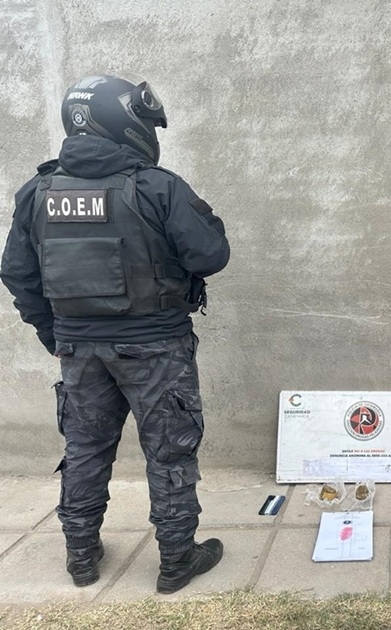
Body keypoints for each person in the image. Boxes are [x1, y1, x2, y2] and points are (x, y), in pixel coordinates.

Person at [0, 75, 231, 594]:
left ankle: (81, 558)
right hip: (156, 348)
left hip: (80, 351)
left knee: (85, 450)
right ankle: (176, 560)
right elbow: (210, 255)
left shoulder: (38, 192)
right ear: (123, 124)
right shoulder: (157, 186)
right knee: (169, 452)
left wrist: (53, 332)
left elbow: (16, 272)